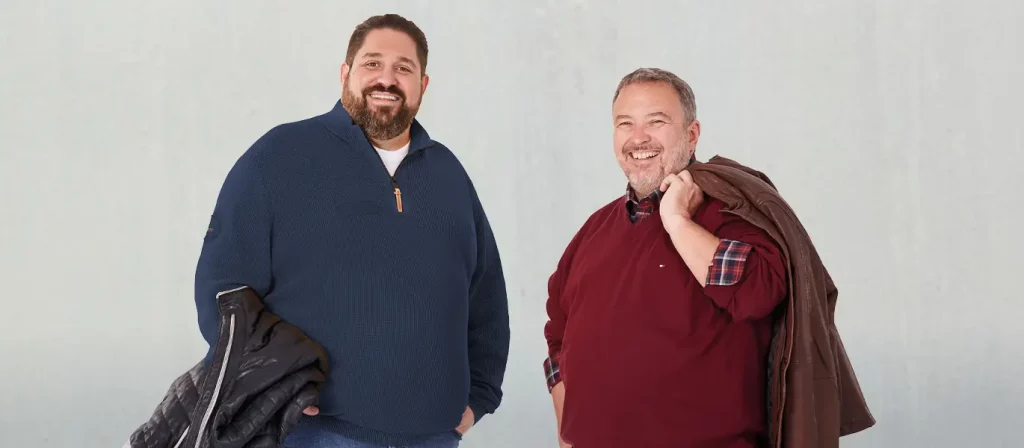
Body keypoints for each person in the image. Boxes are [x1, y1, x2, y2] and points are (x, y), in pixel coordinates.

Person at [193, 14, 510, 448]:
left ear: (423, 85)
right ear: (345, 74)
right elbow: (224, 289)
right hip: (316, 433)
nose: (387, 79)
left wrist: (479, 397)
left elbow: (486, 298)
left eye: (404, 68)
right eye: (372, 63)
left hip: (434, 435)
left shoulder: (449, 175)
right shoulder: (280, 158)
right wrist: (272, 385)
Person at [541, 68, 789, 448]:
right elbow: (557, 333)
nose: (638, 138)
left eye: (656, 122)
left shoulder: (733, 212)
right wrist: (569, 429)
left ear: (692, 135)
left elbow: (759, 291)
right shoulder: (592, 232)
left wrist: (676, 222)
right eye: (625, 124)